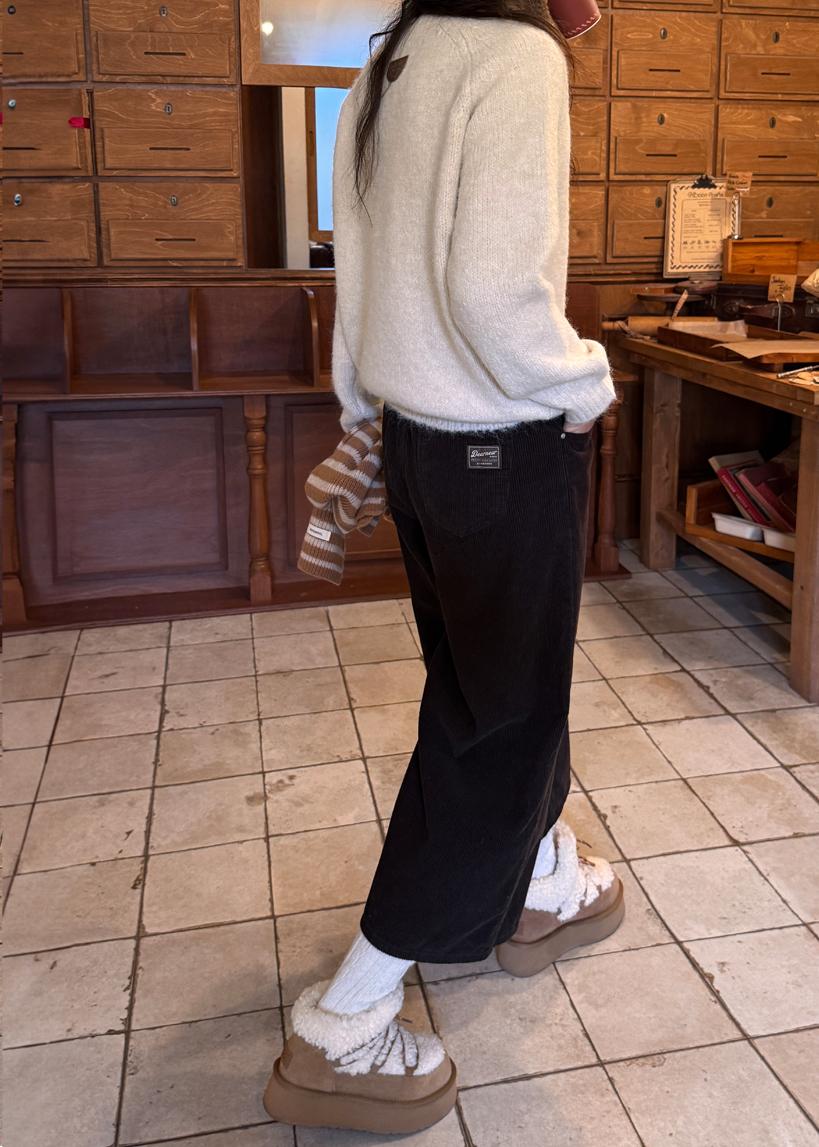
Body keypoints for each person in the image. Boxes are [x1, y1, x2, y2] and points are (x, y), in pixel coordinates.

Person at [263, 0, 624, 1133]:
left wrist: (364, 407)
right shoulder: (518, 58)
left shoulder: (391, 64)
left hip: (419, 443)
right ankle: (348, 1017)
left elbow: (357, 276)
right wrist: (584, 385)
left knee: (493, 692)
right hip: (501, 444)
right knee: (498, 724)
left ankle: (541, 879)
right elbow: (494, 291)